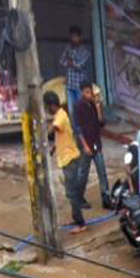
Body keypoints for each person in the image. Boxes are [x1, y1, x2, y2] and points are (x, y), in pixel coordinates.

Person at [44, 90, 87, 235]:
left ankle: (81, 223)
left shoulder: (60, 116)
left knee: (72, 193)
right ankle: (76, 219)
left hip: (70, 159)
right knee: (71, 192)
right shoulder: (60, 115)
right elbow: (61, 135)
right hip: (65, 158)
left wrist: (41, 135)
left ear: (51, 105)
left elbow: (54, 129)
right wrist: (54, 148)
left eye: (47, 106)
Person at [75, 84, 108, 207]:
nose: (90, 95)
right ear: (83, 92)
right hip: (86, 144)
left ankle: (105, 197)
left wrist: (99, 107)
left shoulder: (95, 105)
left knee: (102, 171)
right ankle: (79, 198)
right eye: (88, 93)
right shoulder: (78, 106)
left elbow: (101, 122)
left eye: (91, 93)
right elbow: (77, 129)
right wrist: (85, 146)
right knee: (83, 172)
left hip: (96, 143)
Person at [58, 25, 91, 127]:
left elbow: (80, 65)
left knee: (81, 109)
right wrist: (71, 63)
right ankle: (76, 130)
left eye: (76, 37)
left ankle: (83, 129)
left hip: (79, 86)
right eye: (72, 36)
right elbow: (62, 61)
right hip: (70, 85)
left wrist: (71, 63)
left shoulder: (84, 51)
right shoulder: (68, 48)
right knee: (72, 111)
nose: (74, 39)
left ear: (80, 37)